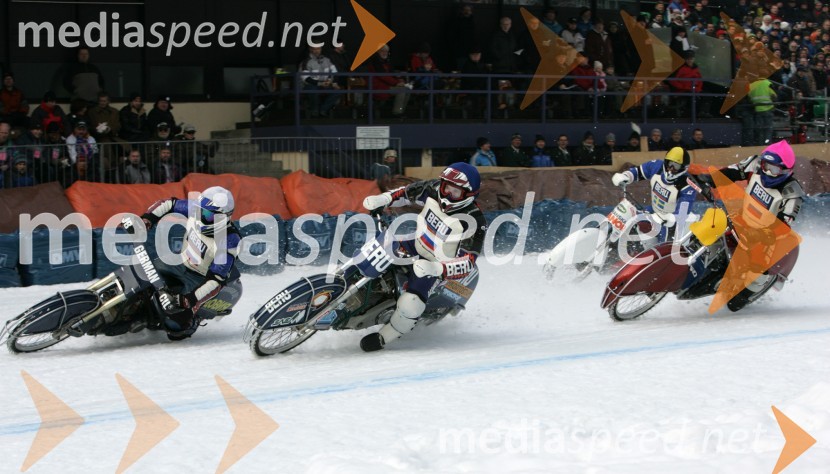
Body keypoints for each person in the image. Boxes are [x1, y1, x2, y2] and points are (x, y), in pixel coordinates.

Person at [359, 162, 487, 351]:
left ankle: (385, 336)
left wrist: (438, 269)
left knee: (411, 303)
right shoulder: (434, 189)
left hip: (435, 264)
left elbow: (468, 261)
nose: (447, 194)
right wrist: (384, 199)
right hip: (417, 243)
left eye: (455, 192)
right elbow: (406, 193)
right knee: (374, 250)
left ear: (468, 195)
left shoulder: (474, 221)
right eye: (446, 187)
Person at [696, 140, 804, 310]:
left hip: (765, 235)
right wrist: (711, 179)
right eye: (765, 165)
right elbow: (732, 172)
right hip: (743, 217)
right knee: (710, 226)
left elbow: (783, 224)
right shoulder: (755, 165)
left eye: (773, 169)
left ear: (785, 171)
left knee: (759, 269)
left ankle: (746, 294)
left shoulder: (792, 193)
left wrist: (763, 234)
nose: (766, 171)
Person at [139, 186, 241, 340]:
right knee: (142, 273)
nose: (200, 216)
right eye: (199, 211)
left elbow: (216, 279)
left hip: (199, 279)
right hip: (180, 263)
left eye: (207, 215)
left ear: (223, 218)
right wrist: (147, 218)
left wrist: (191, 300)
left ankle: (193, 320)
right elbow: (170, 204)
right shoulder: (196, 209)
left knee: (175, 322)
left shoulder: (227, 240)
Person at [612, 147, 697, 242]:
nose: (670, 169)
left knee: (662, 237)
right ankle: (611, 238)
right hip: (654, 210)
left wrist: (670, 217)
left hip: (673, 223)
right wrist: (626, 176)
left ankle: (659, 251)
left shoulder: (688, 185)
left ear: (683, 169)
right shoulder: (656, 166)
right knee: (636, 219)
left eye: (675, 166)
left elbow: (683, 211)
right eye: (669, 164)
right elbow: (638, 171)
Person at [299, 46, 341, 118]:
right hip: (310, 85)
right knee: (312, 90)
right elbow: (305, 78)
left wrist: (333, 83)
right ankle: (314, 111)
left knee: (337, 91)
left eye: (318, 49)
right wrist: (320, 83)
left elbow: (334, 72)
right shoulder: (305, 61)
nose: (316, 51)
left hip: (325, 84)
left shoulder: (327, 60)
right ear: (310, 49)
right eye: (314, 49)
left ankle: (323, 110)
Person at [749, 75, 777, 145]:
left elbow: (749, 96)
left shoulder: (751, 85)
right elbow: (774, 95)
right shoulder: (767, 83)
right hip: (768, 108)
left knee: (760, 129)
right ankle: (767, 144)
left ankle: (760, 144)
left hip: (758, 109)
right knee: (768, 129)